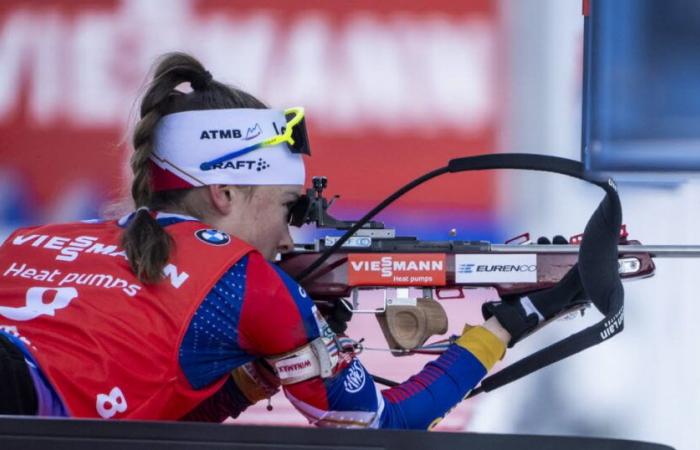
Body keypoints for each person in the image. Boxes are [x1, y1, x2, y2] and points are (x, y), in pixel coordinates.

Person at [0, 52, 585, 428]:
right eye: (288, 205)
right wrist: (506, 327)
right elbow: (382, 431)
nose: (292, 231)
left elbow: (154, 419)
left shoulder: (31, 239)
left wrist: (255, 375)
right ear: (224, 194)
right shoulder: (246, 281)